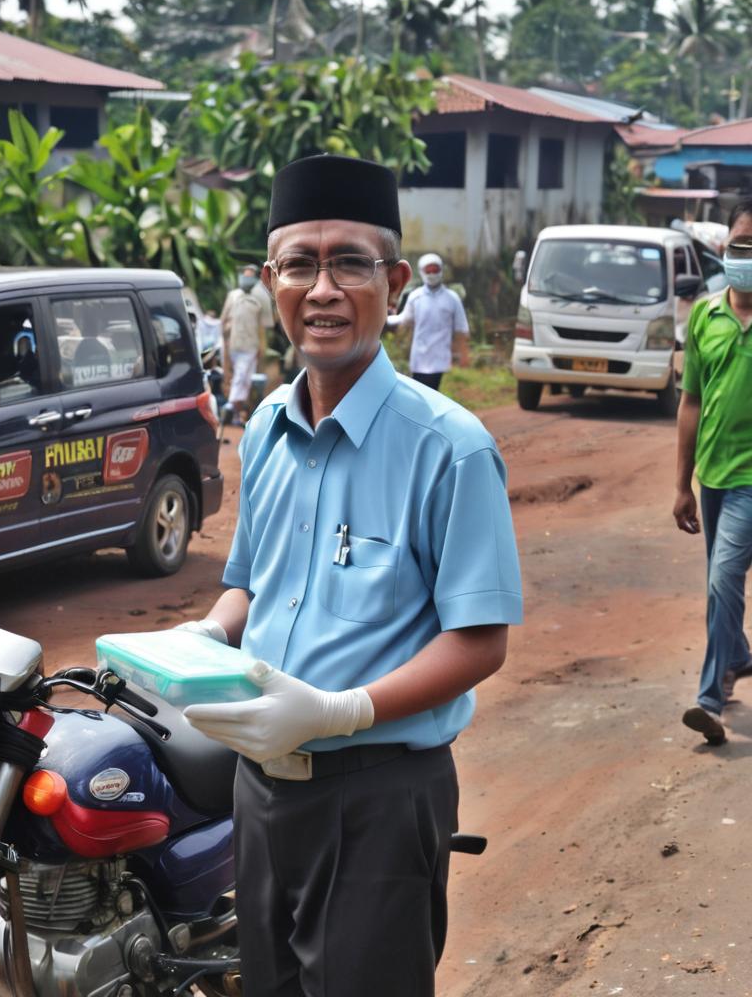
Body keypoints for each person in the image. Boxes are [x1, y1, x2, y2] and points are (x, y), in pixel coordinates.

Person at [177, 154, 523, 996]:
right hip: (259, 791)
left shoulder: (449, 447)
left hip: (378, 797)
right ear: (271, 280)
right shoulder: (263, 429)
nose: (322, 289)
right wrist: (206, 632)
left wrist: (342, 710)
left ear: (394, 282)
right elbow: (248, 583)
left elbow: (479, 642)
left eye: (349, 264)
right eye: (300, 263)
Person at [675, 197, 752, 745]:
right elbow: (691, 402)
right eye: (738, 245)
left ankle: (708, 701)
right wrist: (682, 483)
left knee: (724, 581)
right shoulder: (706, 314)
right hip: (714, 477)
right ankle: (739, 655)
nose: (743, 255)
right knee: (718, 584)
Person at [386, 252, 469, 391]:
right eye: (428, 271)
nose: (431, 274)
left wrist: (463, 354)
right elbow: (404, 319)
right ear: (421, 272)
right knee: (421, 392)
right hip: (419, 358)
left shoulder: (452, 298)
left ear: (441, 270)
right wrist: (385, 318)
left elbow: (461, 328)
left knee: (430, 391)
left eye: (435, 270)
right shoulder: (416, 297)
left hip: (440, 359)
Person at [221, 264, 274, 424]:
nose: (246, 277)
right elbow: (223, 321)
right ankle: (237, 415)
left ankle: (230, 406)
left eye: (250, 275)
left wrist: (262, 348)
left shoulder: (262, 297)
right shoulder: (233, 296)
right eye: (245, 274)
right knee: (241, 380)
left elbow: (263, 327)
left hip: (251, 346)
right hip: (233, 344)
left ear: (256, 277)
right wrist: (224, 344)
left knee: (242, 376)